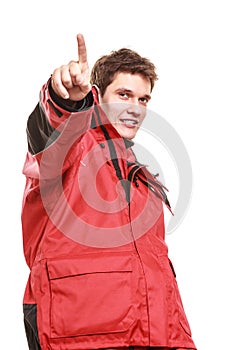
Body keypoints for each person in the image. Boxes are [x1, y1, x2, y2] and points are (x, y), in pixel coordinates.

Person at [21, 33, 197, 350]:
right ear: (98, 95)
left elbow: (156, 276)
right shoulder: (74, 147)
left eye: (143, 99)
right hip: (83, 336)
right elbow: (49, 130)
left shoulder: (143, 182)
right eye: (124, 95)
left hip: (152, 337)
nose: (135, 108)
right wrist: (67, 100)